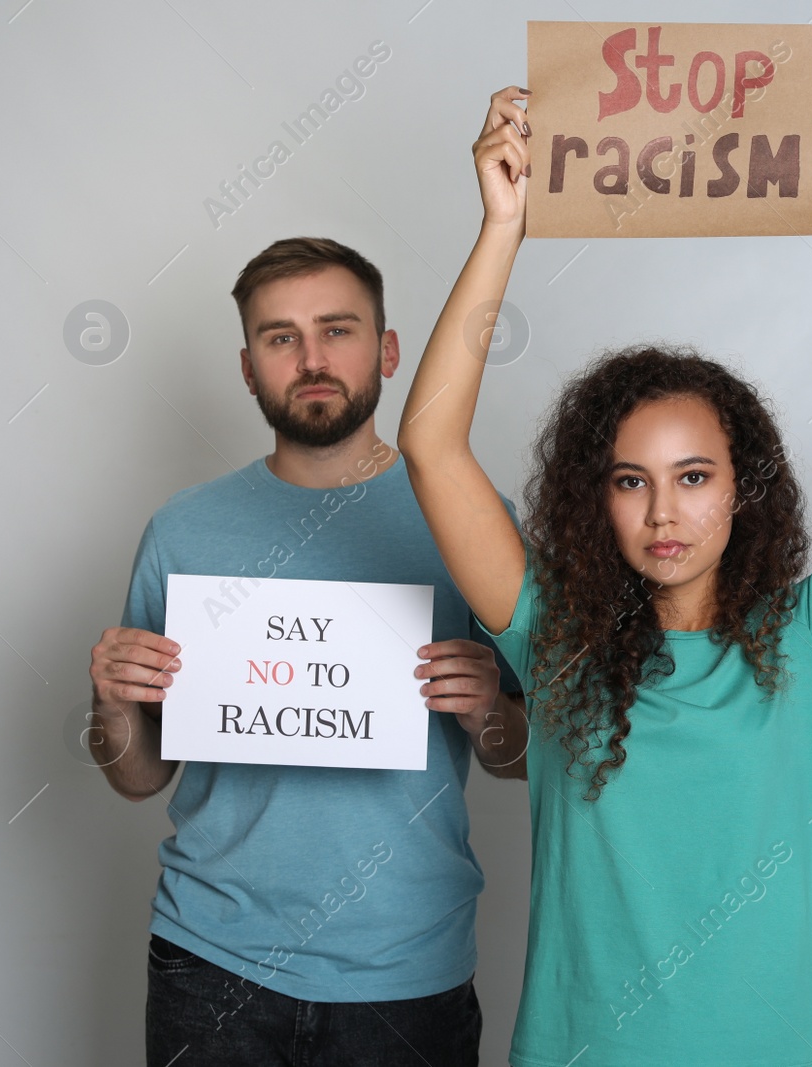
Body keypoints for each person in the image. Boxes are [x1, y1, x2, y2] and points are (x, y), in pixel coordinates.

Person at [397, 85, 812, 1066]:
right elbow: (429, 442)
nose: (665, 512)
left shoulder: (810, 635)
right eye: (632, 481)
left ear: (742, 492)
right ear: (597, 499)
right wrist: (503, 227)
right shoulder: (552, 632)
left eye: (694, 477)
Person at [86, 236, 527, 1067]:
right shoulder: (184, 529)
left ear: (388, 350)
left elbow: (527, 756)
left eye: (339, 329)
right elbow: (140, 774)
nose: (312, 357)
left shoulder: (474, 520)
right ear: (250, 367)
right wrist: (111, 707)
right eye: (281, 337)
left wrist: (486, 710)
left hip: (407, 965)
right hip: (209, 960)